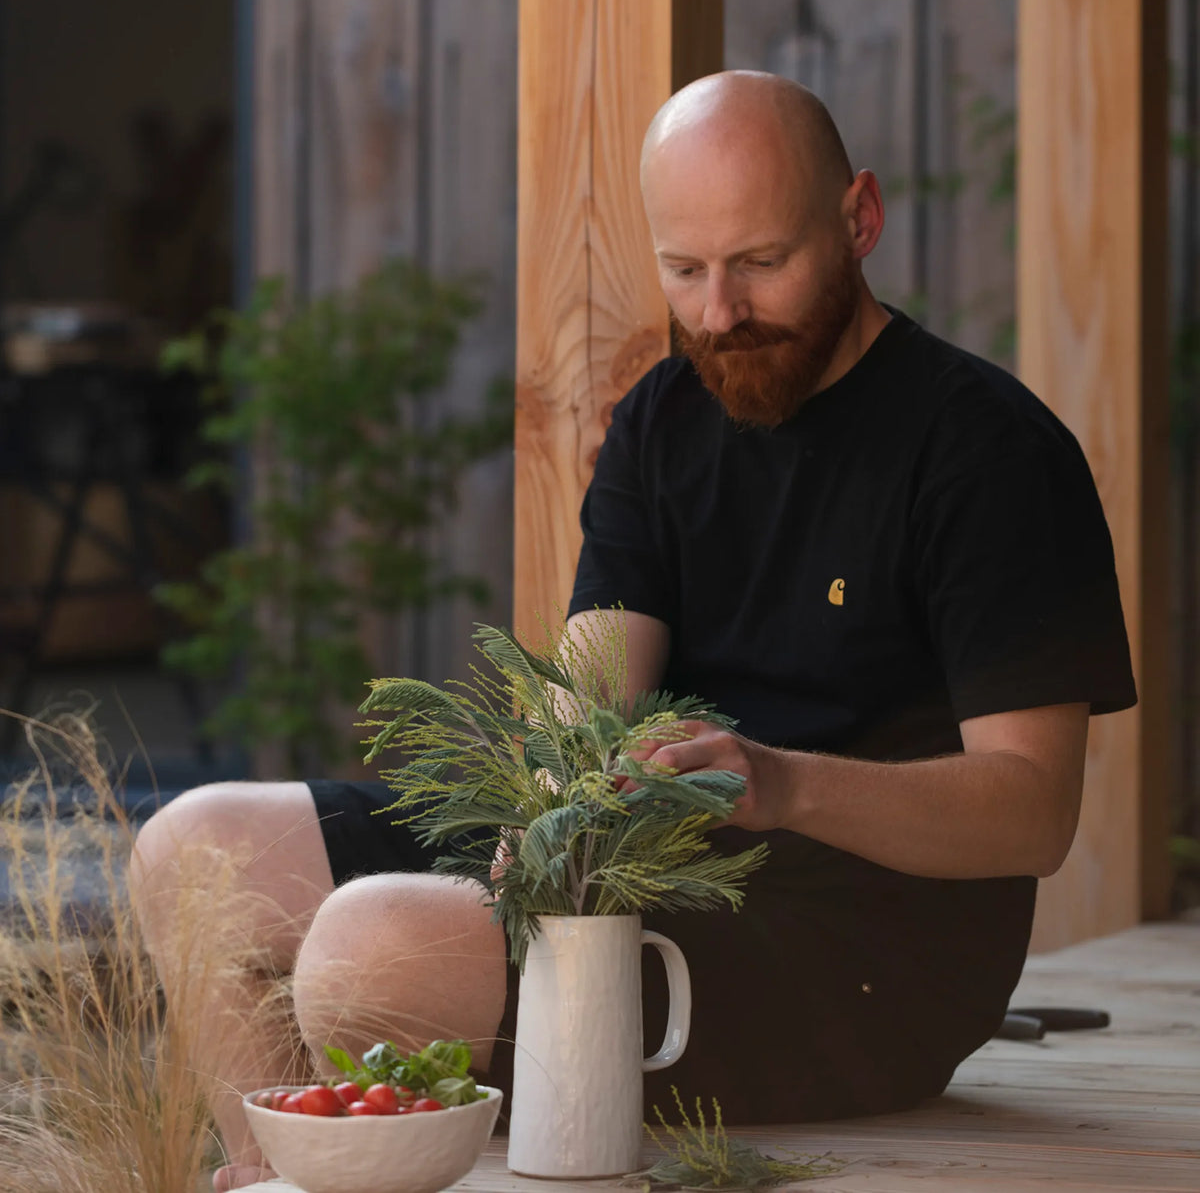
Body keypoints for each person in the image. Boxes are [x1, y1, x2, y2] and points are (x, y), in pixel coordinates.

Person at [130, 71, 1136, 1190]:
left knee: (375, 951)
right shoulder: (664, 420)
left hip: (856, 956)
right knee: (195, 850)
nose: (718, 313)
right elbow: (588, 698)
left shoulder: (986, 453)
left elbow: (1033, 813)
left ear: (860, 219)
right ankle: (262, 1180)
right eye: (685, 269)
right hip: (642, 869)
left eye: (760, 264)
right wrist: (543, 808)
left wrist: (781, 783)